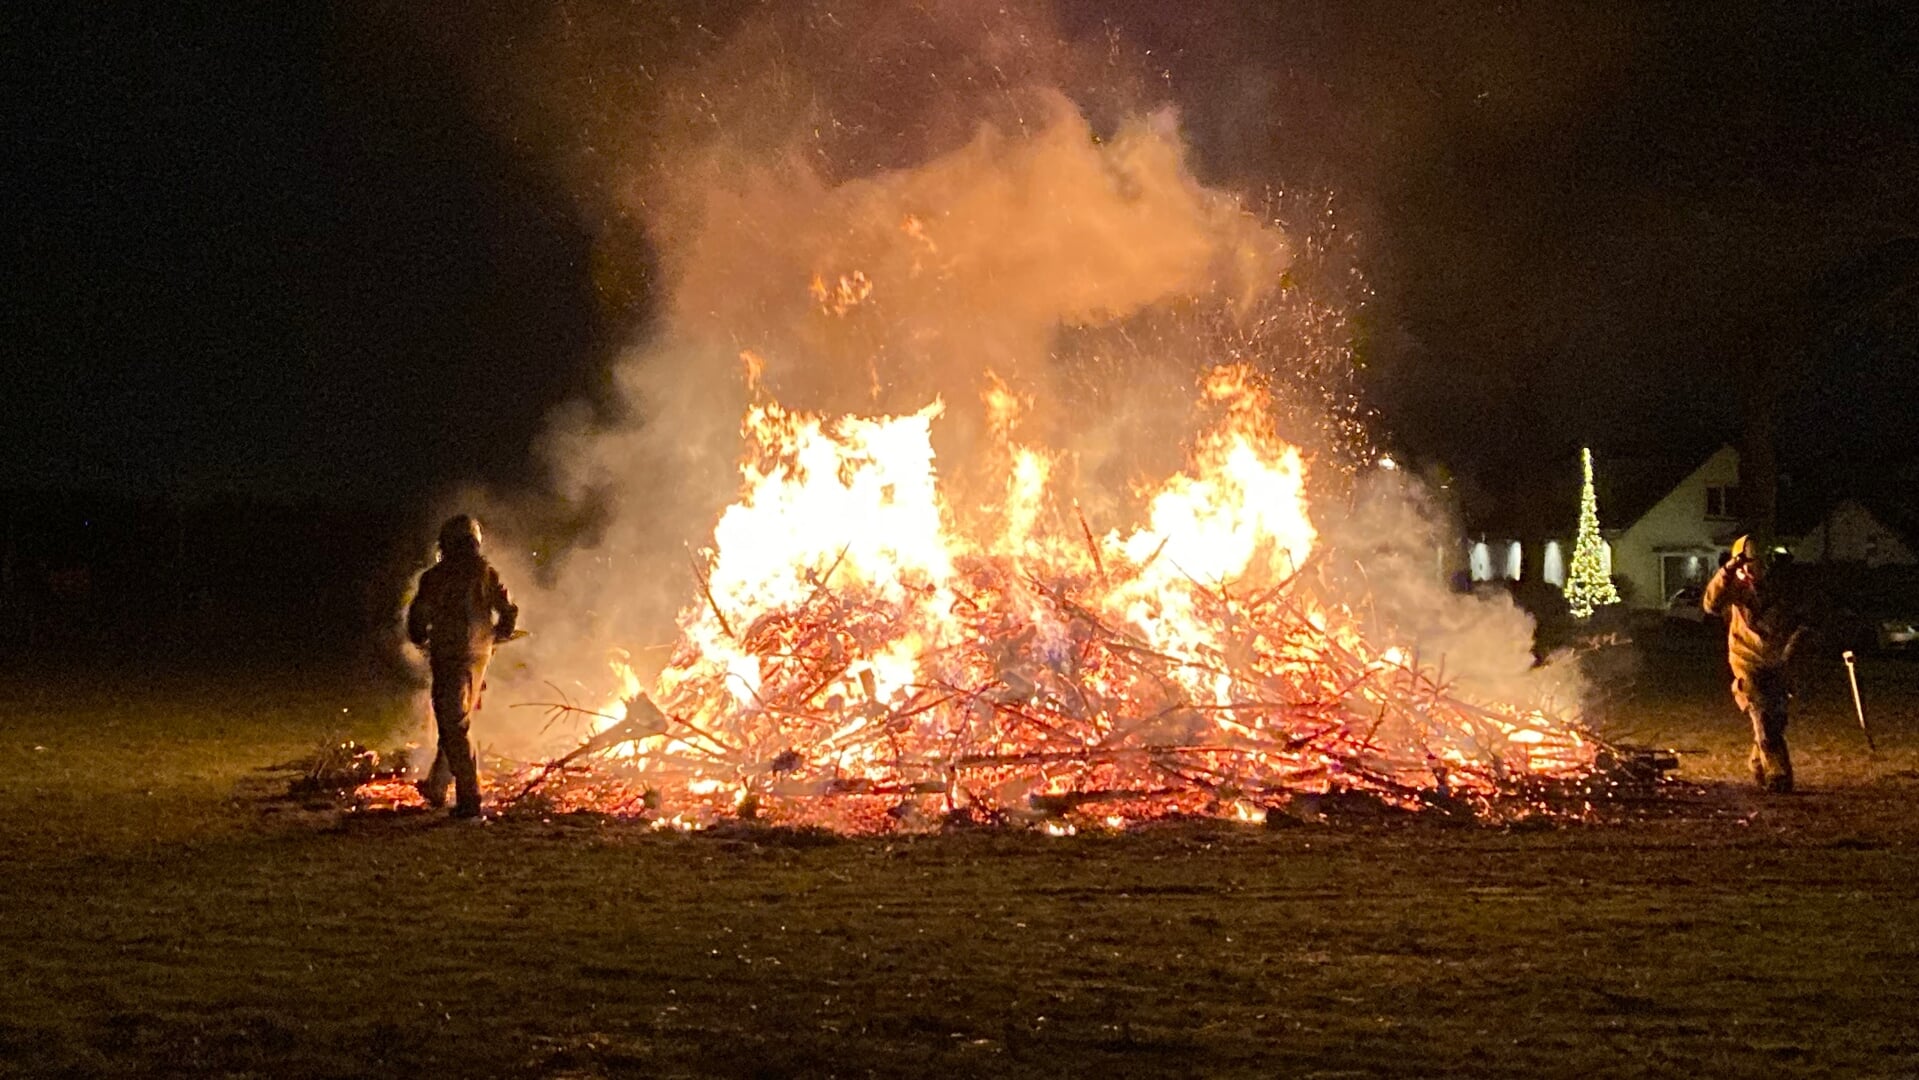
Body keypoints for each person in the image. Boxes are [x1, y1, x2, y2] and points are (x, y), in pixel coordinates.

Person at [406, 514, 518, 817]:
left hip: (450, 656)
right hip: (478, 655)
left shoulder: (436, 577)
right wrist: (497, 636)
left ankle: (469, 799)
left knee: (454, 723)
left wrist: (420, 637)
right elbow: (508, 611)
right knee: (454, 718)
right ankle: (437, 786)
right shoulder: (486, 572)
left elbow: (418, 619)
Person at [1702, 534, 1808, 793]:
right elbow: (1710, 604)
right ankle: (1778, 775)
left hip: (1776, 662)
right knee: (1762, 715)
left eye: (1758, 563)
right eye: (1748, 564)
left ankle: (1757, 764)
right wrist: (1727, 570)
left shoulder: (1779, 587)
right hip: (1746, 662)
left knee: (1776, 719)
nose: (1754, 569)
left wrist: (1794, 649)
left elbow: (1798, 620)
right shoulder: (1735, 588)